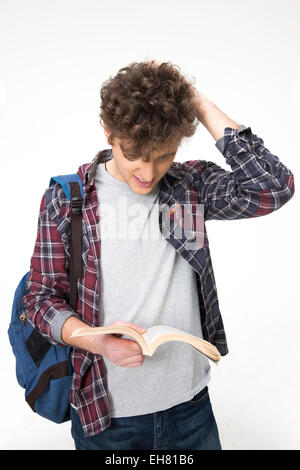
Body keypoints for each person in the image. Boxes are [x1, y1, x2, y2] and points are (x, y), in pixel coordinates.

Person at [23, 60, 295, 450]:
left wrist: (194, 101)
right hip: (107, 417)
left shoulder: (189, 186)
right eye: (135, 153)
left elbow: (272, 187)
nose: (148, 172)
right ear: (109, 132)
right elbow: (38, 298)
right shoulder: (68, 201)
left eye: (163, 154)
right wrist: (95, 341)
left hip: (191, 408)